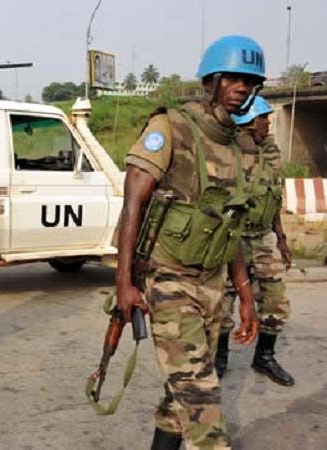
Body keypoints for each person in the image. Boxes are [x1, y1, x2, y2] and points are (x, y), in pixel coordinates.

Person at [115, 36, 265, 449]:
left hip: (212, 283)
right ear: (213, 80)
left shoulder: (235, 144)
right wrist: (123, 283)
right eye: (234, 78)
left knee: (180, 392)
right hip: (168, 281)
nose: (242, 88)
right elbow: (133, 205)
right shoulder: (170, 126)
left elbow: (229, 224)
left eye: (250, 82)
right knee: (200, 396)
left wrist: (246, 294)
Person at [215, 96, 294, 386]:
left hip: (262, 238)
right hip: (231, 237)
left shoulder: (271, 153)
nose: (268, 125)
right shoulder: (227, 151)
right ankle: (219, 358)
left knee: (275, 300)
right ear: (246, 121)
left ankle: (265, 357)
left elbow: (273, 196)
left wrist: (281, 237)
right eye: (263, 119)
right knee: (222, 302)